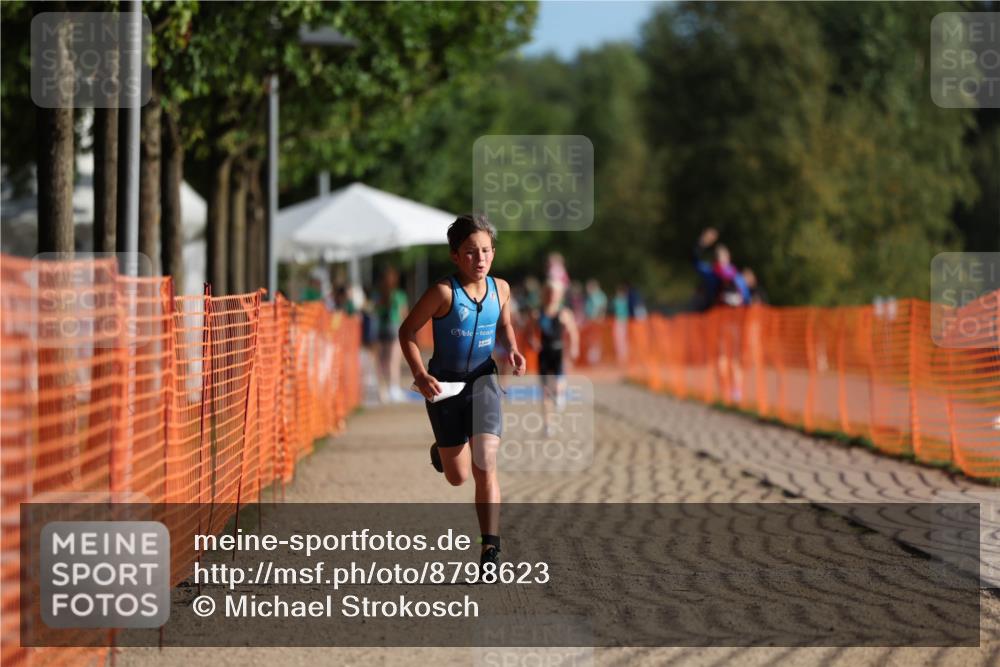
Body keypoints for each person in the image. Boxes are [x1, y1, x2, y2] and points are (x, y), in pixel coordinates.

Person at [398, 214, 526, 578]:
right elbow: (406, 332)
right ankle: (442, 451)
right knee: (457, 476)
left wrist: (513, 348)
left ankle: (490, 548)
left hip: (484, 378)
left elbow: (504, 323)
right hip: (444, 385)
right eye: (471, 252)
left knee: (485, 460)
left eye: (485, 251)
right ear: (455, 256)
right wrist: (420, 374)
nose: (480, 259)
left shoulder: (501, 289)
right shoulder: (442, 293)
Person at [529, 281, 580, 436]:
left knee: (557, 386)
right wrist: (533, 342)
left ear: (559, 296)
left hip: (558, 352)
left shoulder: (564, 313)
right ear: (545, 294)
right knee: (545, 392)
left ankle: (561, 394)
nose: (552, 297)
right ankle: (548, 425)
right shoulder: (537, 314)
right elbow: (529, 333)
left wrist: (573, 348)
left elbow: (573, 332)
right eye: (549, 293)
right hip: (544, 353)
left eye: (555, 294)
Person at [374, 267, 408, 403]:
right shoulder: (399, 295)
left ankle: (382, 390)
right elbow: (403, 313)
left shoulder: (379, 294)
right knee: (394, 360)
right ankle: (394, 388)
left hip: (381, 328)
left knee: (382, 361)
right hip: (394, 328)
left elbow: (375, 310)